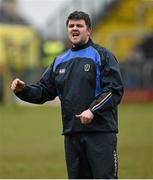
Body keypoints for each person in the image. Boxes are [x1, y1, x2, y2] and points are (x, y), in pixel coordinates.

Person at [11, 11, 124, 179]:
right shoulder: (59, 61)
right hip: (72, 135)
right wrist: (23, 90)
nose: (75, 29)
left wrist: (92, 110)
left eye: (79, 25)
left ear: (89, 30)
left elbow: (114, 90)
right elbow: (43, 91)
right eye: (71, 26)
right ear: (67, 30)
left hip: (100, 133)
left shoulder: (102, 55)